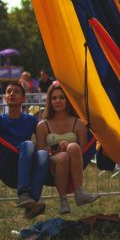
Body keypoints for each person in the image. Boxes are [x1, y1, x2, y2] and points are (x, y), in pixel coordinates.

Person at [0, 82, 49, 218]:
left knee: (43, 154)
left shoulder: (31, 120)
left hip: (26, 163)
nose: (12, 94)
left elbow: (44, 139)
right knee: (27, 144)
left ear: (23, 99)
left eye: (16, 92)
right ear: (5, 98)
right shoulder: (0, 120)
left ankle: (31, 204)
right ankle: (23, 193)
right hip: (8, 163)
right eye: (9, 92)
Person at [36, 82, 100, 214]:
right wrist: (51, 151)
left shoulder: (78, 123)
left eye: (61, 97)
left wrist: (68, 146)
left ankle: (79, 193)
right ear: (49, 101)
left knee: (72, 148)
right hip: (51, 162)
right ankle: (63, 200)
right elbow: (39, 152)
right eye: (54, 98)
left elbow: (83, 149)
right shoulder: (42, 125)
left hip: (74, 160)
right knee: (63, 156)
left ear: (67, 100)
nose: (58, 101)